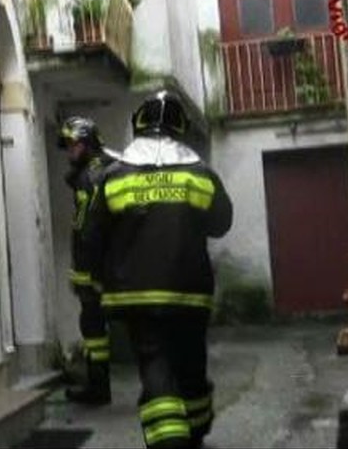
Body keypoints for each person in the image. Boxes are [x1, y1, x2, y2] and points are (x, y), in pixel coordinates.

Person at [80, 90, 233, 449]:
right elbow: (221, 223)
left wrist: (96, 282)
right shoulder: (200, 174)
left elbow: (92, 236)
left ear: (138, 124)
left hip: (136, 295)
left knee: (155, 363)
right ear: (180, 127)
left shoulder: (113, 177)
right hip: (189, 293)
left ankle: (169, 441)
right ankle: (195, 432)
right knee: (192, 362)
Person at [57, 116, 117, 406]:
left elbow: (87, 229)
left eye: (74, 144)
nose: (70, 151)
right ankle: (99, 385)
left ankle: (98, 387)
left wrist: (86, 274)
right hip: (115, 265)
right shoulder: (107, 167)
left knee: (93, 326)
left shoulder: (90, 178)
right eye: (68, 145)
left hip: (99, 270)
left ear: (88, 143)